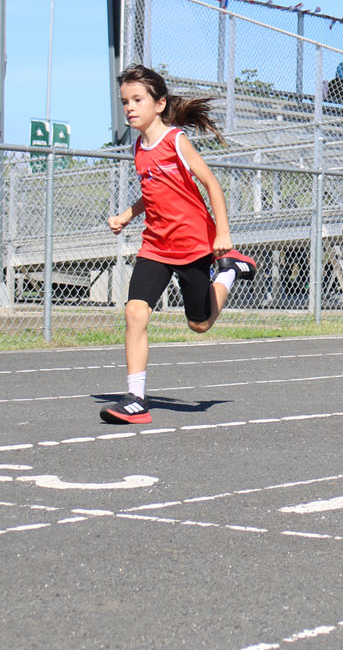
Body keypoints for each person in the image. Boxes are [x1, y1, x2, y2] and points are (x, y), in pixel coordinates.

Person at [102, 65, 257, 424]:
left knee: (199, 325)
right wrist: (128, 213)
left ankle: (229, 272)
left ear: (159, 104)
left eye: (137, 100)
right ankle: (136, 399)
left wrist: (222, 233)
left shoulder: (175, 141)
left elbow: (211, 184)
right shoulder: (139, 147)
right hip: (155, 246)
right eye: (125, 101)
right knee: (134, 312)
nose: (129, 107)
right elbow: (153, 191)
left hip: (193, 246)